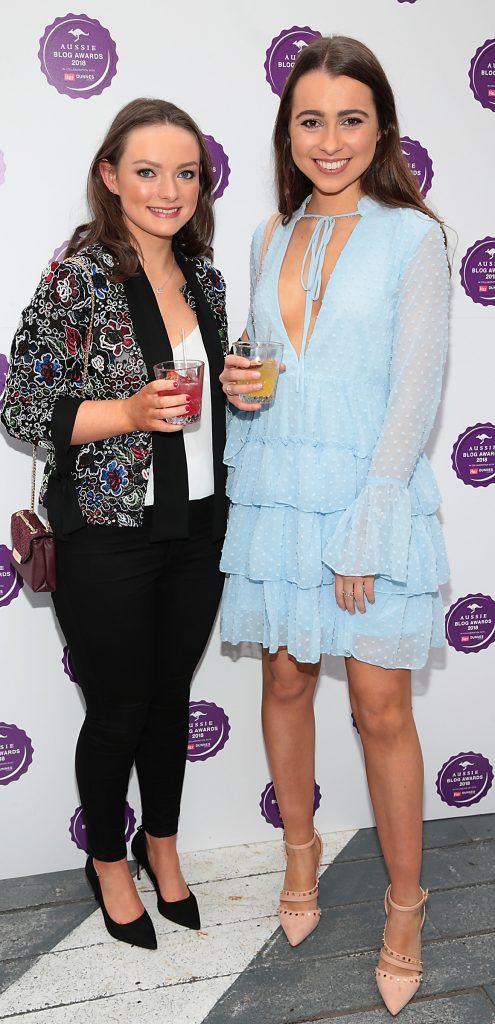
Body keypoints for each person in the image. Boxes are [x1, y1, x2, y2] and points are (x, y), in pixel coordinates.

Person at [219, 36, 449, 1016]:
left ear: (381, 129)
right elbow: (267, 377)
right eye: (310, 119)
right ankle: (300, 860)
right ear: (288, 129)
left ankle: (407, 904)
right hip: (280, 490)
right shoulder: (270, 235)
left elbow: (414, 394)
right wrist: (240, 387)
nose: (330, 138)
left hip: (369, 500)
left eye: (350, 118)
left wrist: (367, 525)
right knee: (282, 677)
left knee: (383, 708)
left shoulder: (414, 238)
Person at [2, 98, 228, 950]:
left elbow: (204, 407)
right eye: (146, 170)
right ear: (109, 176)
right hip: (105, 529)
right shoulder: (81, 276)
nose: (168, 189)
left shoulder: (202, 276)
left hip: (200, 525)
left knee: (169, 701)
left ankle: (160, 846)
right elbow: (21, 404)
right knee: (119, 708)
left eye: (185, 172)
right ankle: (105, 860)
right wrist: (128, 411)